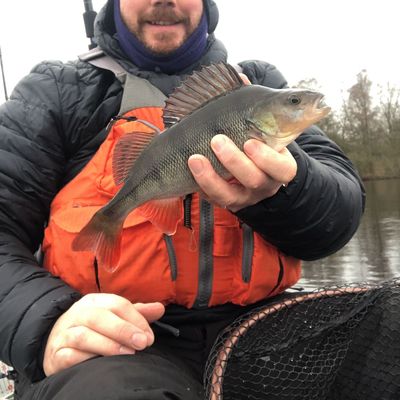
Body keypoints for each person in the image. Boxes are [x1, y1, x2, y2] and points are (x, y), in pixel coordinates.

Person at [0, 0, 365, 399]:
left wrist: (290, 188)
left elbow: (338, 216)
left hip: (262, 333)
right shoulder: (57, 92)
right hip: (121, 342)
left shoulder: (256, 83)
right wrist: (44, 321)